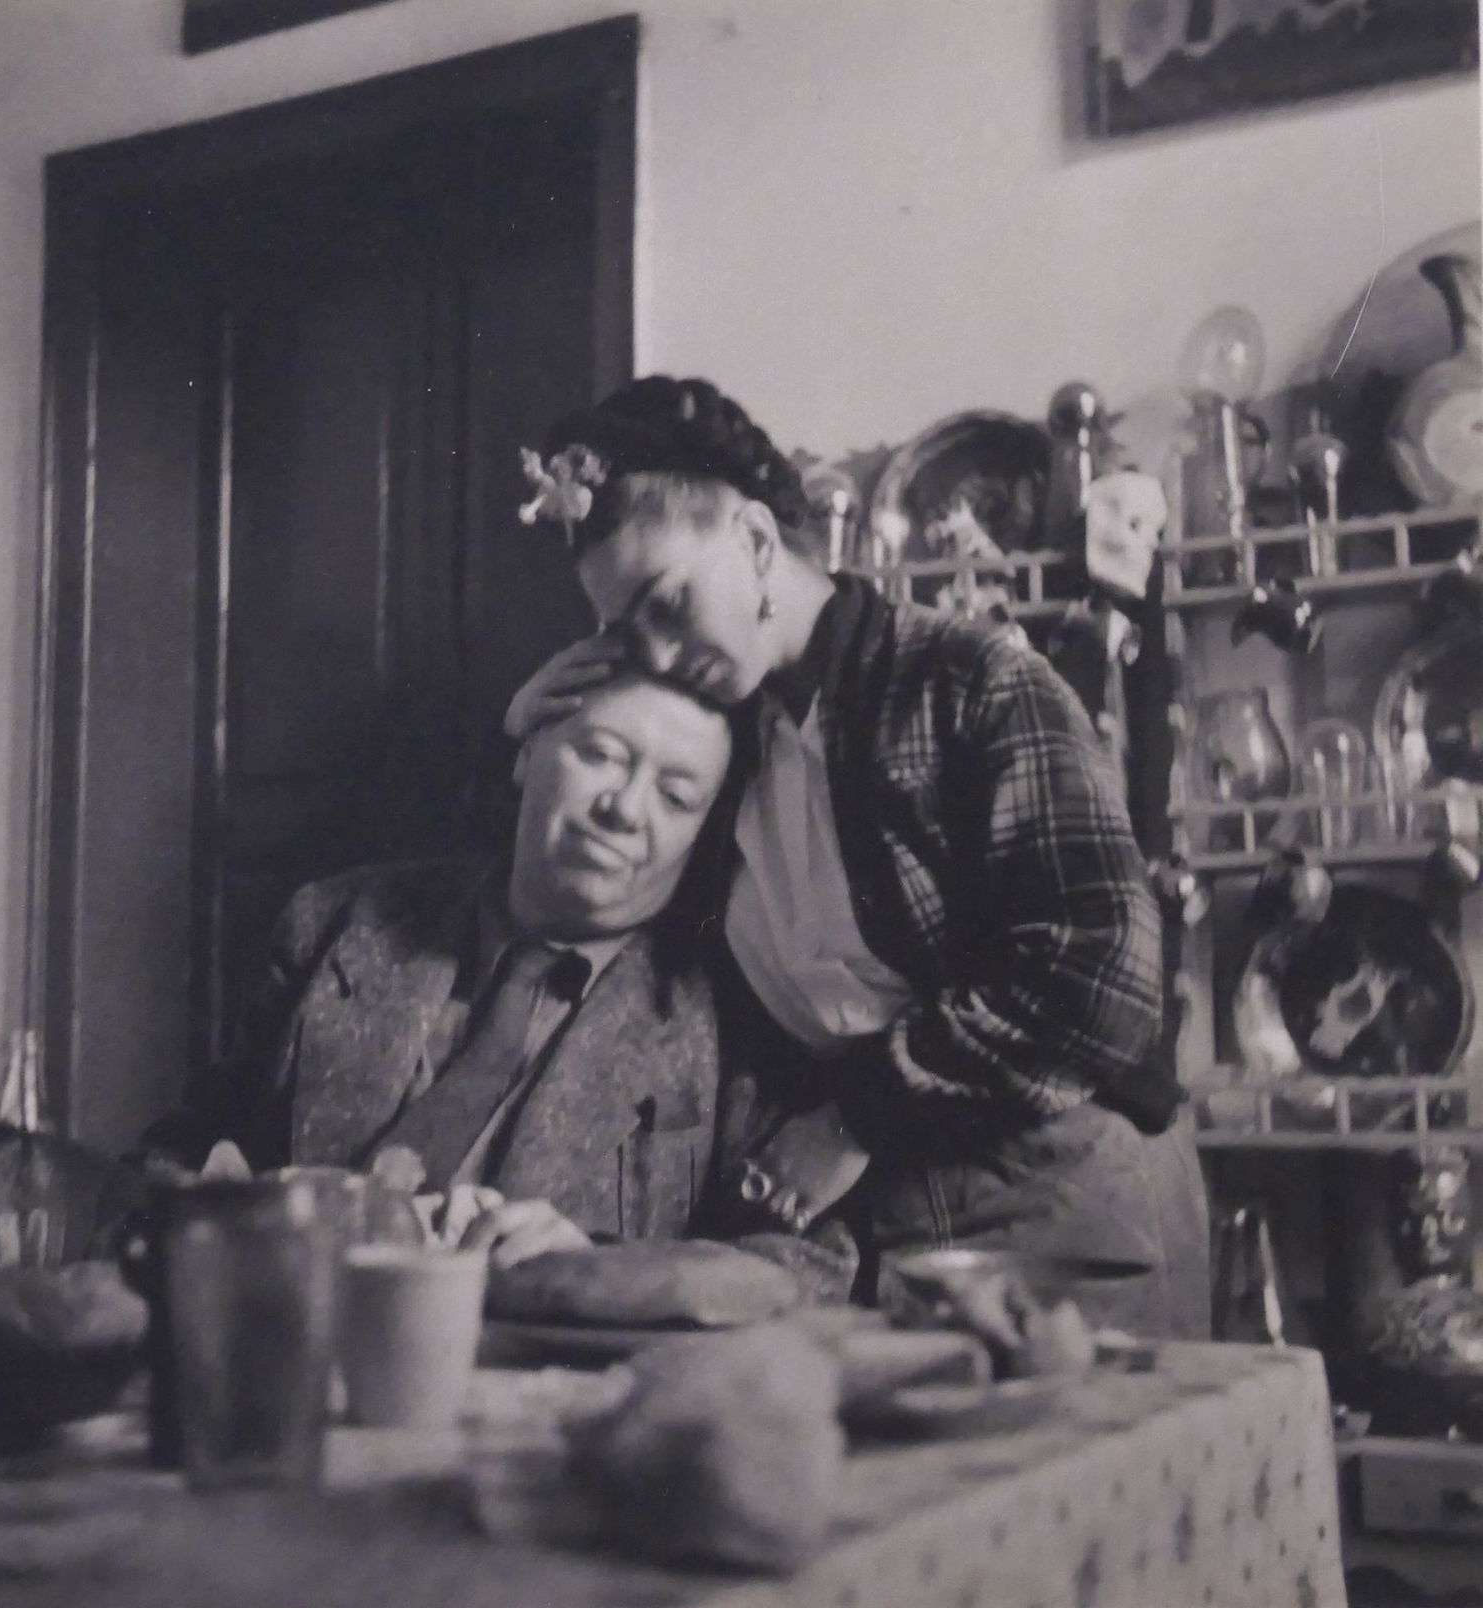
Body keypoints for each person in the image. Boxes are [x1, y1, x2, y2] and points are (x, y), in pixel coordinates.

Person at [508, 375, 1210, 1336]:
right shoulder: (724, 751)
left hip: (1063, 1195)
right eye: (626, 633)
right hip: (864, 1229)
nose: (660, 656)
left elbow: (1105, 972)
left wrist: (855, 1119)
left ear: (756, 541)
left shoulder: (970, 680)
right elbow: (577, 898)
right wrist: (531, 726)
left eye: (668, 604)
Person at [142, 669, 841, 1281]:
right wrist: (237, 1216)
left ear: (706, 831)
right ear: (529, 751)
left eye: (677, 796)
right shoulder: (335, 923)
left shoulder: (735, 1003)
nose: (624, 809)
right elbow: (172, 1163)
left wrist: (605, 1269)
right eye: (600, 754)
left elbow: (816, 1266)